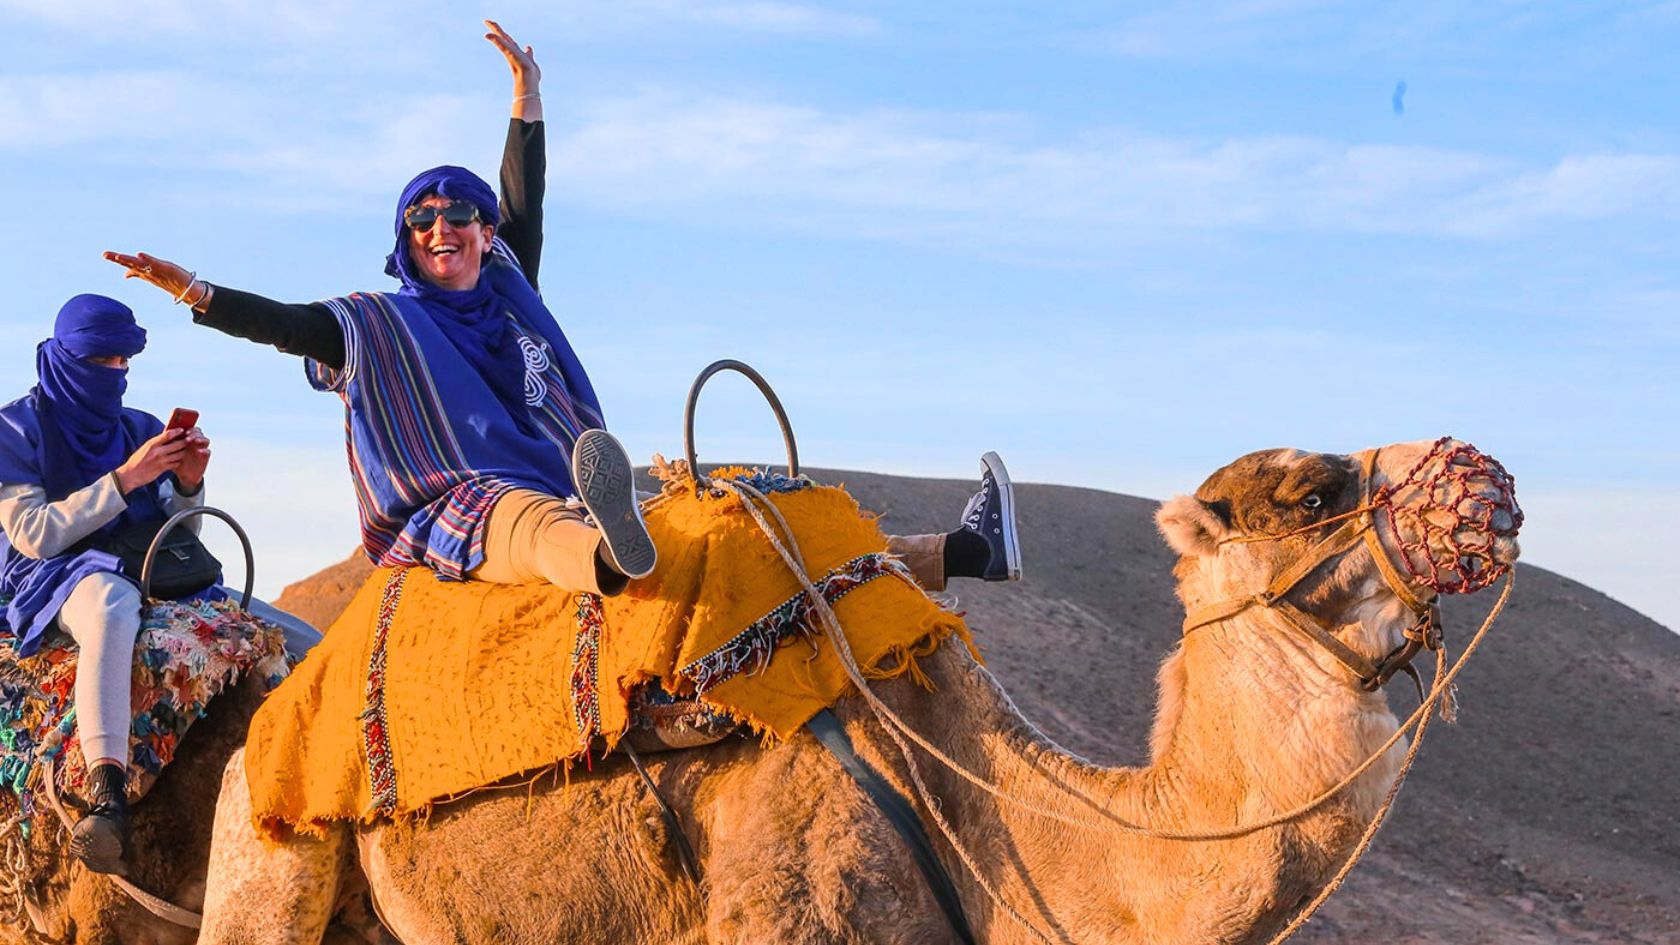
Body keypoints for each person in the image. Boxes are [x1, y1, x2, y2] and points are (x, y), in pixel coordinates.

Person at [104, 21, 1020, 604]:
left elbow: (524, 200)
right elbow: (287, 324)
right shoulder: (377, 326)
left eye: (459, 213)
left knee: (743, 528)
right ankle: (608, 565)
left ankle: (965, 552)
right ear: (405, 240)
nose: (443, 227)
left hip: (577, 476)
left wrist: (526, 97)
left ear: (480, 229)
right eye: (421, 218)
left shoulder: (510, 286)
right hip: (461, 500)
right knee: (523, 524)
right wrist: (198, 293)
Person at [0, 295, 213, 874]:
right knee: (111, 605)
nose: (115, 373)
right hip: (54, 571)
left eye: (124, 360)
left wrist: (188, 485)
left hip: (146, 561)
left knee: (284, 634)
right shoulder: (15, 428)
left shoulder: (138, 427)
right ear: (65, 357)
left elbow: (180, 531)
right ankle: (107, 792)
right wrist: (127, 477)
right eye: (101, 361)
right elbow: (34, 534)